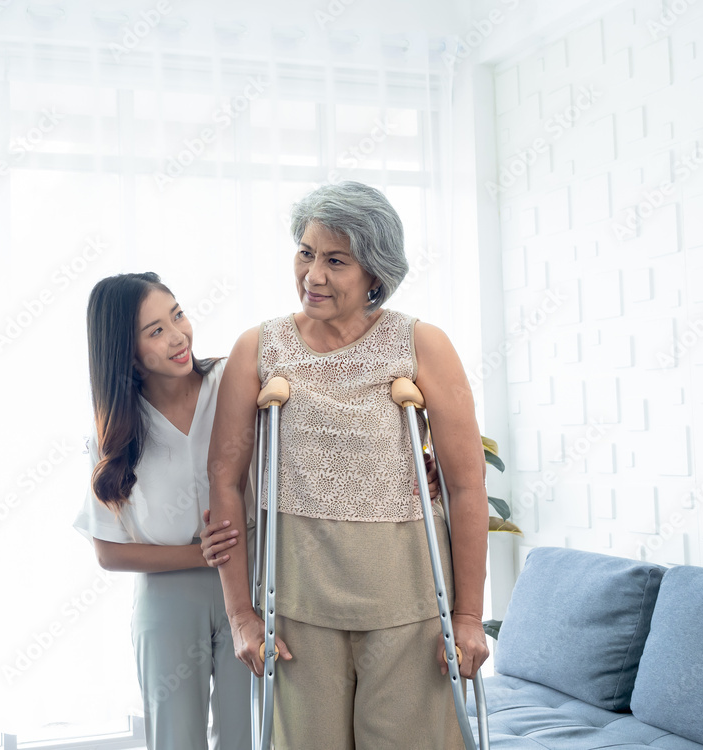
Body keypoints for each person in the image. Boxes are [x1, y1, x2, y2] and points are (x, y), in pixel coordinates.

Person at [203, 181, 490, 749]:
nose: (313, 275)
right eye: (306, 253)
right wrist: (240, 614)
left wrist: (469, 617)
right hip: (298, 605)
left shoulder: (421, 344)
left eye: (336, 260)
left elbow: (464, 484)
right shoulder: (258, 348)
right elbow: (224, 480)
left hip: (409, 602)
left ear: (374, 272)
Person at [72, 272, 255, 750]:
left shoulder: (233, 381)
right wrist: (203, 556)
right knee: (176, 739)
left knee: (250, 734)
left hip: (250, 583)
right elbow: (109, 553)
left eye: (178, 315)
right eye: (155, 331)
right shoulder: (113, 436)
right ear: (126, 352)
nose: (178, 336)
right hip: (168, 596)